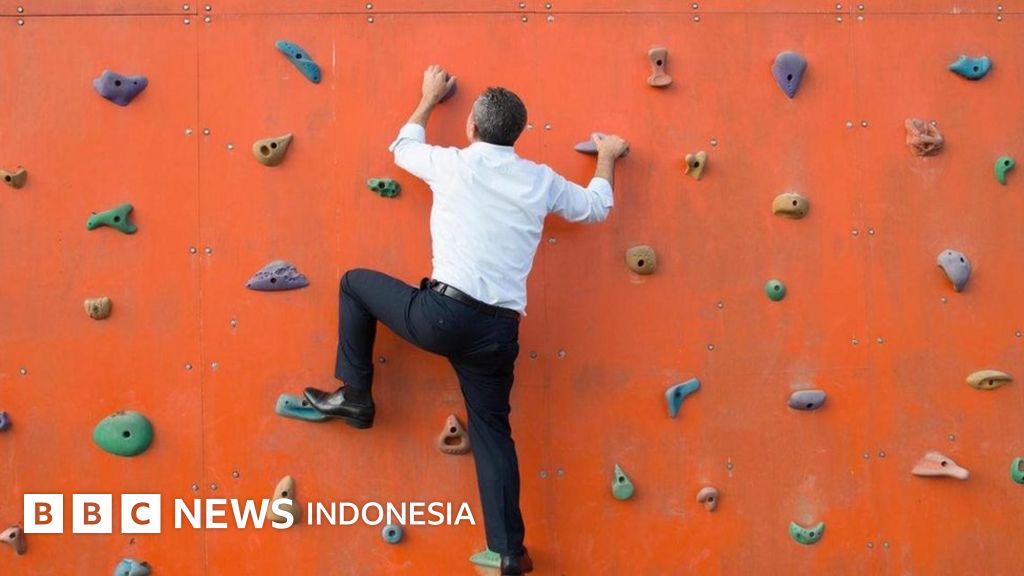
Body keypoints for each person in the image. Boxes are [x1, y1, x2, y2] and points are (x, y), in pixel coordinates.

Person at [304, 65, 629, 575]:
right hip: (498, 333)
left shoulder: (453, 164)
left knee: (353, 283)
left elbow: (402, 148)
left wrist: (429, 97)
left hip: (443, 316)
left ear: (472, 127)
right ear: (517, 135)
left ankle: (356, 395)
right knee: (493, 432)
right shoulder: (540, 180)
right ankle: (508, 552)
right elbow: (595, 208)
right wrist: (607, 155)